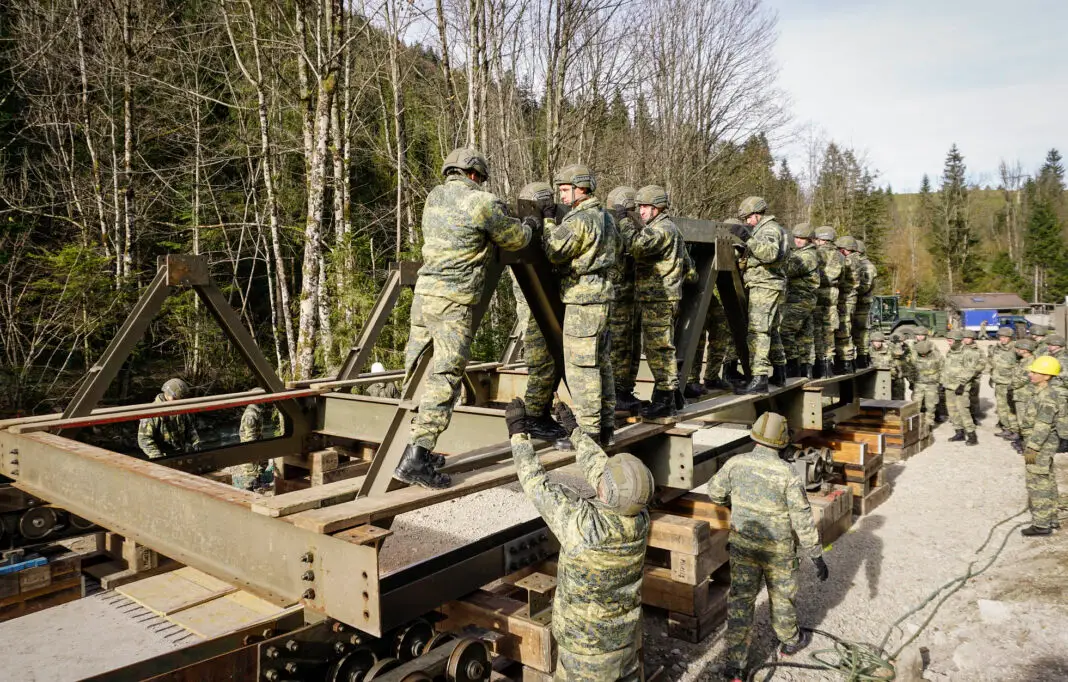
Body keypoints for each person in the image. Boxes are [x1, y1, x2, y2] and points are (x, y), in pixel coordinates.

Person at [396, 147, 532, 489]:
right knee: (445, 376)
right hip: (453, 302)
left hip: (424, 296)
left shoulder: (433, 198)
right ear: (474, 174)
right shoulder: (481, 202)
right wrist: (531, 223)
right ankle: (416, 456)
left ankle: (414, 446)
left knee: (417, 368)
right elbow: (515, 239)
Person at [506, 398, 653, 681]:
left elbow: (536, 483)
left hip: (584, 654)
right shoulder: (639, 518)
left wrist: (518, 434)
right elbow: (602, 471)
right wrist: (574, 431)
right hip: (625, 644)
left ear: (604, 493)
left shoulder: (583, 526)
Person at [705, 411, 829, 681]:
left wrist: (735, 503)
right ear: (782, 442)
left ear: (756, 436)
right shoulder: (787, 473)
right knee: (782, 597)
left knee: (741, 602)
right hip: (778, 551)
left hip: (743, 547)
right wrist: (816, 555)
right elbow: (802, 519)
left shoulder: (735, 464)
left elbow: (714, 493)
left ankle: (735, 666)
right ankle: (789, 641)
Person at [524, 163, 620, 446]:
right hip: (602, 295)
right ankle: (606, 427)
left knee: (581, 369)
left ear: (581, 188)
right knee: (602, 364)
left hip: (582, 299)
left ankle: (589, 435)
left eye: (565, 190)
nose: (562, 196)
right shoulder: (606, 218)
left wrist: (550, 222)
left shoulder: (579, 220)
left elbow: (554, 250)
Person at [622, 185, 685, 422]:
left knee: (658, 349)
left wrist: (625, 223)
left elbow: (636, 247)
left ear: (657, 207)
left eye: (645, 207)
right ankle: (672, 396)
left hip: (659, 298)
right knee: (661, 347)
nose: (641, 212)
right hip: (660, 297)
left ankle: (665, 400)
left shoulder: (662, 229)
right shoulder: (666, 228)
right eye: (639, 207)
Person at [736, 197, 789, 394]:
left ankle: (759, 378)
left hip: (764, 285)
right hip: (768, 285)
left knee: (758, 331)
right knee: (771, 330)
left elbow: (769, 254)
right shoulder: (769, 229)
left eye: (748, 218)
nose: (747, 222)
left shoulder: (769, 229)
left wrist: (747, 238)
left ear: (756, 215)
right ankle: (780, 372)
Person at [1017, 356, 1068, 536]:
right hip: (1043, 443)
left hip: (1040, 444)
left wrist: (1033, 447)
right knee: (1047, 479)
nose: (1030, 374)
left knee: (1037, 483)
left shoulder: (1047, 396)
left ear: (1047, 376)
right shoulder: (1043, 391)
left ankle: (1041, 524)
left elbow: (1043, 425)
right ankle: (1051, 518)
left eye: (1035, 372)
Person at [606, 186, 643, 416]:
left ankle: (626, 390)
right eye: (631, 210)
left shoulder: (633, 227)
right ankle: (618, 393)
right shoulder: (610, 226)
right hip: (618, 294)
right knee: (619, 343)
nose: (635, 214)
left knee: (632, 342)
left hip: (632, 295)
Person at [780, 223, 821, 379]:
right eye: (796, 237)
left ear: (809, 240)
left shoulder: (806, 256)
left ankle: (792, 368)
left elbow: (786, 269)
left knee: (785, 332)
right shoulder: (804, 253)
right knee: (804, 337)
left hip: (800, 301)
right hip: (802, 300)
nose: (797, 241)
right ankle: (804, 370)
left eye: (801, 238)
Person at [137, 378, 201, 459]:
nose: (179, 402)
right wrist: (157, 456)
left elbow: (190, 427)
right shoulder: (152, 413)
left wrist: (196, 442)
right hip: (163, 456)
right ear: (168, 395)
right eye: (176, 399)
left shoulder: (181, 407)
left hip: (182, 453)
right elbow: (144, 439)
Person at [812, 226, 844, 379]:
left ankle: (819, 364)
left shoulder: (816, 253)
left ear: (820, 239)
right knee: (829, 331)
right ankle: (828, 366)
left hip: (818, 295)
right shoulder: (840, 256)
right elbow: (842, 277)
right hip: (833, 295)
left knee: (817, 330)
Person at [941, 330, 980, 446]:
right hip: (949, 386)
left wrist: (962, 384)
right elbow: (946, 368)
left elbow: (970, 370)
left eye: (950, 341)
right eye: (947, 341)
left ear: (958, 341)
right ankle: (959, 432)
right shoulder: (950, 351)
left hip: (960, 387)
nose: (948, 343)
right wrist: (942, 383)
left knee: (963, 410)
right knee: (952, 411)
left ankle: (972, 435)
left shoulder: (968, 352)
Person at [231, 401, 274, 492]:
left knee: (261, 463)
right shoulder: (251, 414)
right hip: (250, 444)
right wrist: (253, 448)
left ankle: (257, 483)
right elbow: (250, 434)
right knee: (250, 468)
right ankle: (249, 488)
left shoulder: (257, 411)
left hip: (257, 442)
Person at [833, 236, 860, 374]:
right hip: (849, 298)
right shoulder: (857, 260)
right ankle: (848, 361)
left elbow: (842, 279)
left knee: (844, 330)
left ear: (845, 250)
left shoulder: (850, 261)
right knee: (846, 329)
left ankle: (846, 363)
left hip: (846, 299)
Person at [988, 328, 1020, 441]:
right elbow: (991, 362)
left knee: (1012, 408)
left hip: (1010, 384)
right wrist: (991, 376)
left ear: (1010, 338)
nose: (1003, 339)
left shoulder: (1016, 349)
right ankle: (1006, 428)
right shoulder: (996, 348)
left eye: (1005, 337)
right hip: (999, 382)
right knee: (1001, 407)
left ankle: (1015, 430)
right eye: (1001, 337)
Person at [851, 240, 878, 368]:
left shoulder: (867, 266)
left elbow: (865, 287)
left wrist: (851, 288)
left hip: (863, 303)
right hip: (857, 302)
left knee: (862, 330)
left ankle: (863, 356)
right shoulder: (858, 264)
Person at [1010, 338, 1038, 452]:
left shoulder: (1030, 362)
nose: (1016, 350)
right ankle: (1024, 443)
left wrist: (1011, 385)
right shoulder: (1023, 360)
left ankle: (1028, 449)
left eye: (1019, 348)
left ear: (1026, 350)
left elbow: (1024, 378)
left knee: (1025, 422)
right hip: (1020, 394)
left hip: (1025, 395)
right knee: (1022, 421)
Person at [911, 340, 943, 430]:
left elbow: (942, 369)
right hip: (918, 384)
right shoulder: (914, 356)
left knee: (931, 405)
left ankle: (929, 424)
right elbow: (911, 369)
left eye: (924, 354)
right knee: (915, 405)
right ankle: (915, 424)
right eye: (921, 354)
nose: (923, 355)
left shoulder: (937, 356)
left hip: (932, 385)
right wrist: (911, 381)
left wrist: (941, 382)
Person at [869, 332, 905, 399]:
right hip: (876, 378)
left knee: (897, 397)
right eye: (876, 341)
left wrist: (896, 344)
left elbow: (898, 354)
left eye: (880, 341)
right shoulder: (869, 351)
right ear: (872, 342)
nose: (878, 343)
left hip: (891, 376)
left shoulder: (889, 349)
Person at [961, 330, 984, 421]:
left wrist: (973, 373)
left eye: (968, 338)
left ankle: (973, 416)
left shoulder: (978, 350)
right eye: (965, 338)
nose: (966, 340)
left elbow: (982, 363)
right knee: (961, 398)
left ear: (973, 339)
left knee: (973, 398)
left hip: (974, 378)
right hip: (961, 378)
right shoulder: (959, 349)